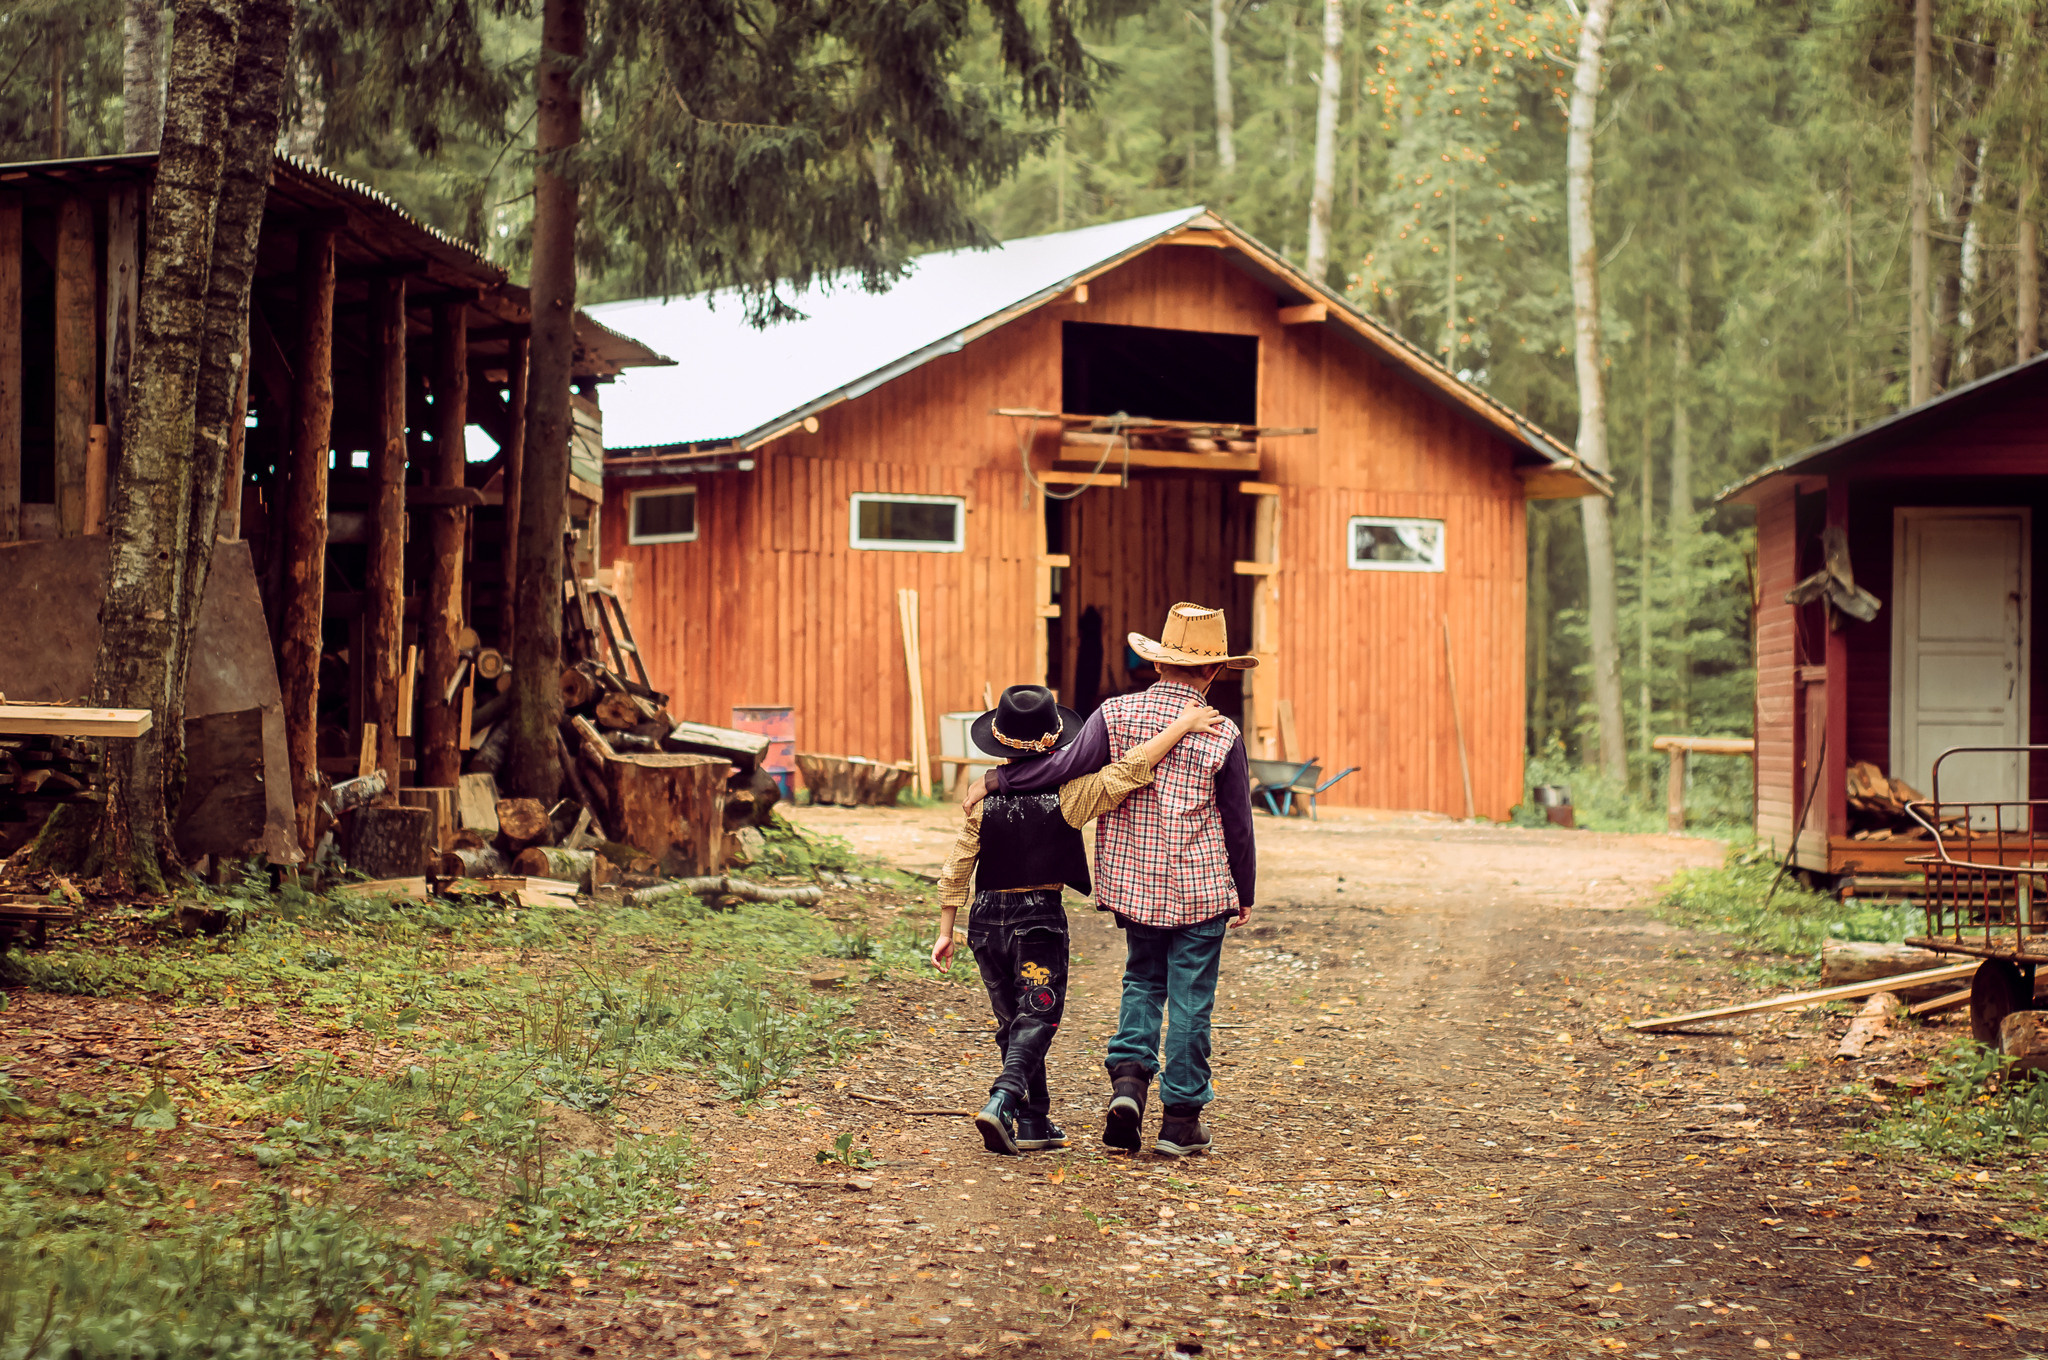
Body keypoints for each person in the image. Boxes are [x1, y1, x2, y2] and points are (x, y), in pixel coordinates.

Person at [964, 603, 1256, 1157]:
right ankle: (1181, 1121)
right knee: (1192, 1000)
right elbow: (1237, 822)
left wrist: (1000, 777)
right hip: (1202, 887)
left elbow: (1059, 768)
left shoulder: (1115, 714)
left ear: (1157, 662)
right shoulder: (1222, 733)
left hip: (1133, 885)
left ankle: (1128, 1087)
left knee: (1143, 981)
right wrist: (1245, 889)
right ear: (1215, 670)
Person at [931, 684, 1224, 1157]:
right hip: (1038, 923)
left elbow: (959, 863)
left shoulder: (982, 800)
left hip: (984, 923)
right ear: (1055, 742)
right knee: (1038, 1015)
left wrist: (946, 929)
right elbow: (1131, 770)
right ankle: (1004, 1098)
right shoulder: (1072, 796)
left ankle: (1034, 1120)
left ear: (998, 741)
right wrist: (1183, 724)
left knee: (1014, 1022)